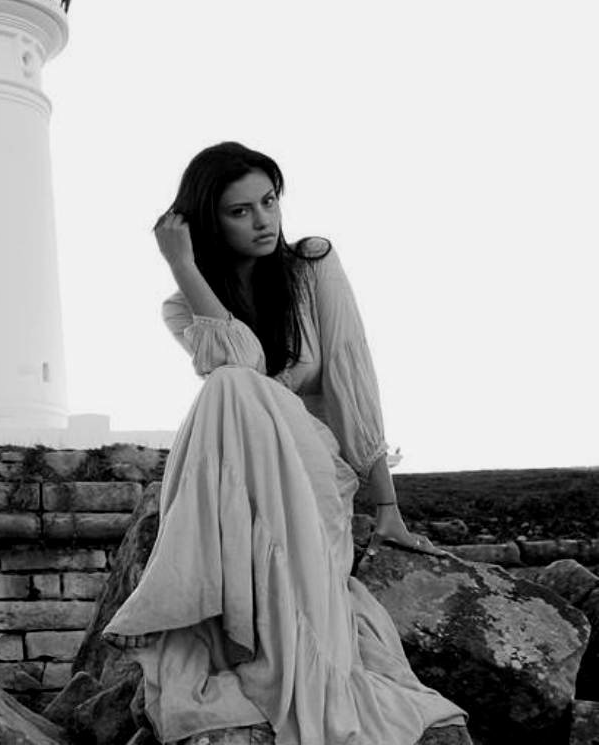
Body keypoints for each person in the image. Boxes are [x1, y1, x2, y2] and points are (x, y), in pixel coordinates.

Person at [100, 142, 467, 744]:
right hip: (248, 463)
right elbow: (239, 361)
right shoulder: (182, 305)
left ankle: (211, 614)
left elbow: (351, 376)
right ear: (208, 221)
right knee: (230, 386)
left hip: (315, 465)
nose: (263, 220)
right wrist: (183, 266)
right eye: (239, 211)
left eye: (268, 201)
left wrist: (386, 507)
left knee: (231, 387)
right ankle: (230, 625)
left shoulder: (313, 264)